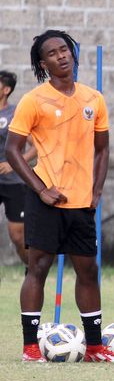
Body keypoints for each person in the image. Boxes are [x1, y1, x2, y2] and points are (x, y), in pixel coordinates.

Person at [6, 30, 114, 364]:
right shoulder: (34, 100)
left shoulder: (94, 98)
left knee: (88, 271)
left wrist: (97, 190)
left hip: (81, 203)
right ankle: (31, 347)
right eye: (52, 53)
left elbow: (103, 150)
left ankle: (94, 346)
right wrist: (41, 189)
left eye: (65, 49)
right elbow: (13, 150)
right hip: (46, 199)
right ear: (42, 63)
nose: (61, 56)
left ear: (73, 54)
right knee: (39, 267)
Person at [0, 70, 37, 268]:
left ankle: (32, 270)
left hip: (14, 183)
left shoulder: (14, 114)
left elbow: (36, 146)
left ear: (6, 90)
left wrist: (13, 162)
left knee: (17, 236)